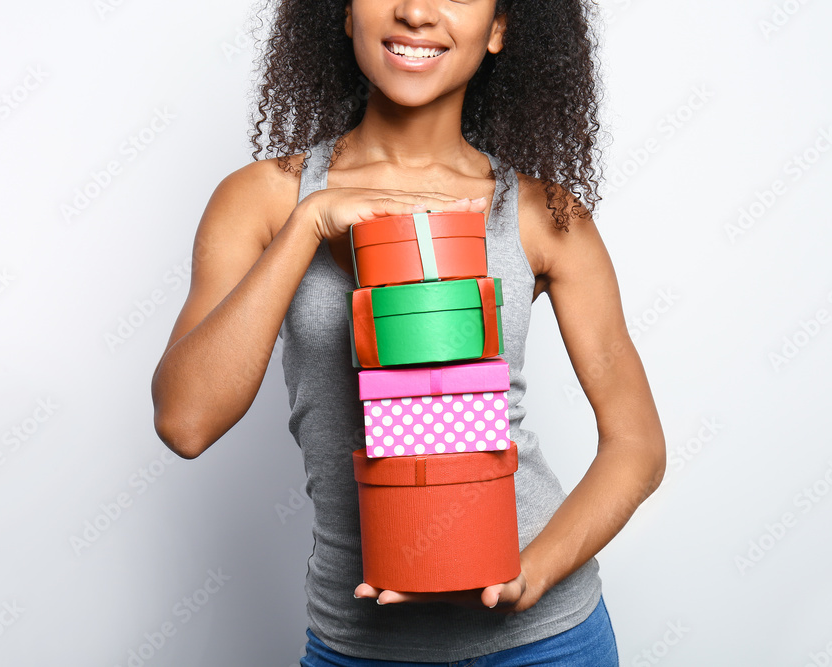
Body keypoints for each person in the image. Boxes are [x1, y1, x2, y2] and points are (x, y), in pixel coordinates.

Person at [151, 0, 665, 663]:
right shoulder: (263, 199)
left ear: (502, 27)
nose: (416, 10)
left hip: (546, 641)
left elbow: (637, 443)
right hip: (359, 643)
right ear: (341, 14)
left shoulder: (544, 214)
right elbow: (185, 421)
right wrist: (308, 224)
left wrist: (531, 572)